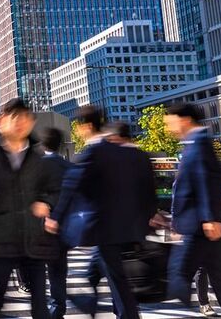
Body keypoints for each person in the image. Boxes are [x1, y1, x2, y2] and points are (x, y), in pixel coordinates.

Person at [48, 106, 157, 319]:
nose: (77, 131)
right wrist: (150, 214)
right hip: (130, 227)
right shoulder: (129, 153)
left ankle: (117, 312)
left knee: (118, 281)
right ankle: (102, 306)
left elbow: (71, 187)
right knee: (112, 277)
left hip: (106, 229)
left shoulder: (94, 152)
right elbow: (147, 186)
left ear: (87, 126)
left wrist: (56, 217)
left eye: (77, 127)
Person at [0, 98, 56, 319]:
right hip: (1, 241)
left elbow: (52, 189)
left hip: (33, 240)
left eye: (25, 117)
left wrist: (48, 204)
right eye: (14, 117)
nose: (20, 123)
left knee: (41, 306)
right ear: (0, 121)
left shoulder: (37, 154)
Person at [164, 103, 221, 319]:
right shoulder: (194, 144)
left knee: (178, 276)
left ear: (184, 120)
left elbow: (206, 182)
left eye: (170, 121)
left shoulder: (199, 144)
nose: (169, 127)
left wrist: (211, 219)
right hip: (204, 226)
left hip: (202, 227)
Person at [39, 128, 71, 319]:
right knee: (58, 268)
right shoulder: (68, 167)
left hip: (40, 225)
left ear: (43, 145)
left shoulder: (37, 166)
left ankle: (47, 305)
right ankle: (58, 305)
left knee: (37, 268)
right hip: (64, 225)